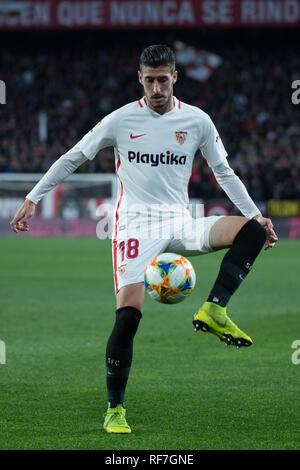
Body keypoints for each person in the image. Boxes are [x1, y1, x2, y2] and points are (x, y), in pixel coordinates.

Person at [10, 44, 278, 434]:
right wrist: (33, 197)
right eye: (149, 80)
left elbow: (224, 172)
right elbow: (74, 156)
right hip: (135, 226)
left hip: (180, 220)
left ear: (175, 77)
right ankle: (115, 408)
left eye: (163, 79)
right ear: (140, 78)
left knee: (253, 230)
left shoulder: (198, 121)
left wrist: (256, 214)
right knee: (129, 316)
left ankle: (214, 310)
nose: (156, 88)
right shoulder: (120, 120)